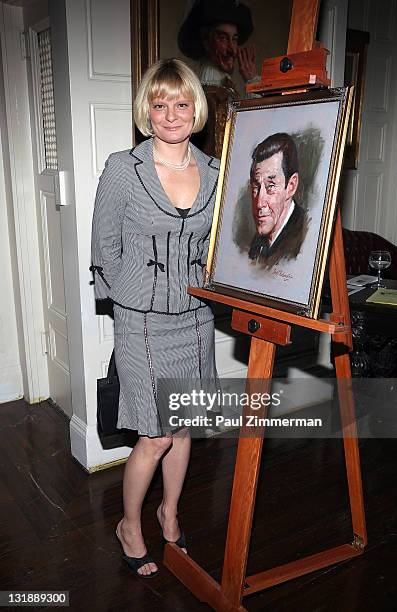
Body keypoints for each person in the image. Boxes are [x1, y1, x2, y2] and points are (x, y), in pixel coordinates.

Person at [90, 58, 219, 578]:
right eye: (160, 104)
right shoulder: (125, 167)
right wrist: (126, 298)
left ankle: (169, 514)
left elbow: (218, 245)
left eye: (181, 104)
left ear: (196, 110)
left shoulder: (216, 170)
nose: (171, 114)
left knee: (183, 428)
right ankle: (129, 524)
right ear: (147, 110)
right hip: (142, 320)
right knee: (156, 434)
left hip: (196, 317)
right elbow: (105, 242)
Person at [178, 0, 257, 157]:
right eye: (223, 39)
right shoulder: (210, 96)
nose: (232, 50)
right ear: (206, 43)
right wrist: (253, 82)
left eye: (234, 39)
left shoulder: (225, 90)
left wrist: (252, 81)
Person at [248, 133, 309, 268]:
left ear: (291, 186)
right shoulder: (257, 243)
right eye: (256, 187)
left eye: (271, 186)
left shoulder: (307, 240)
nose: (259, 203)